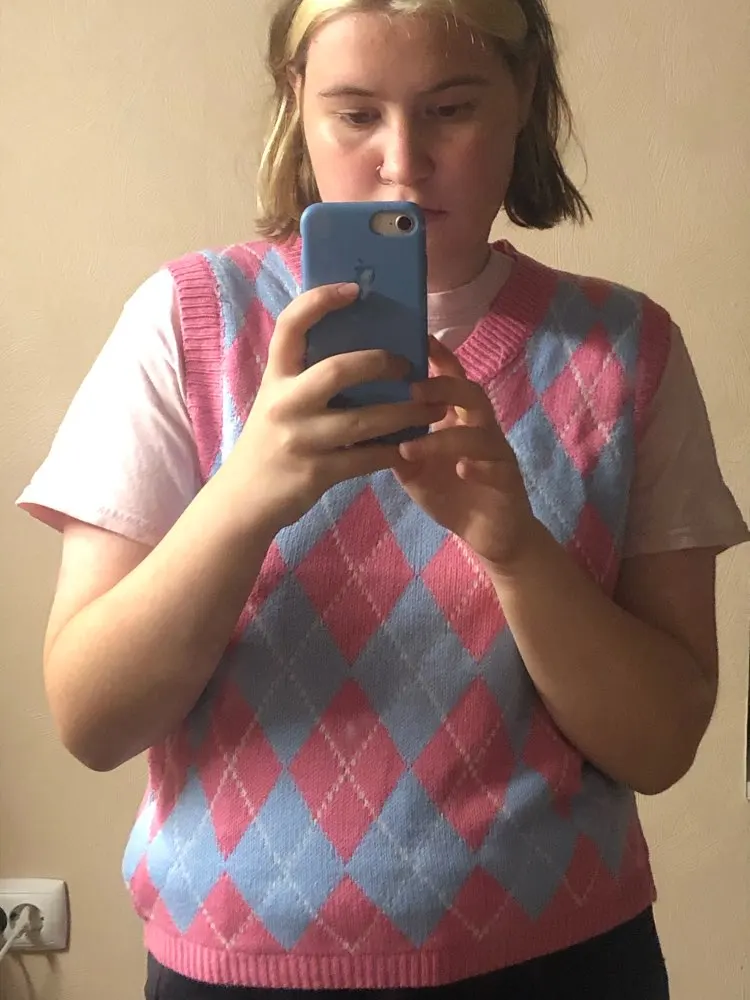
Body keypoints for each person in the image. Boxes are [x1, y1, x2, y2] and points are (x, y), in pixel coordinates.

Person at [17, 0, 748, 997]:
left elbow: (661, 745)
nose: (403, 162)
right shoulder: (185, 325)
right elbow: (93, 719)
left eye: (451, 108)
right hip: (235, 968)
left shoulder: (625, 350)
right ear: (298, 102)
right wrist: (246, 495)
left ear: (523, 96)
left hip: (561, 959)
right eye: (356, 113)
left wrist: (514, 546)